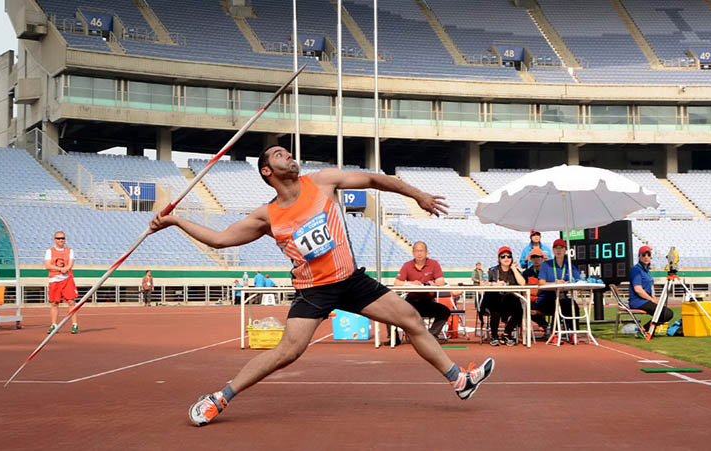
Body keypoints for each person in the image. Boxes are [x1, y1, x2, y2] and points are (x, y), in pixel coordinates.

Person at [150, 145, 494, 427]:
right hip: (314, 291)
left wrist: (418, 194)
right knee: (288, 351)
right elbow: (221, 239)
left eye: (288, 152)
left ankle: (459, 381)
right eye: (280, 154)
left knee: (412, 320)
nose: (289, 155)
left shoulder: (323, 181)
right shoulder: (267, 216)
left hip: (351, 279)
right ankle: (219, 398)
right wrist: (177, 220)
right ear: (267, 171)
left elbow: (375, 179)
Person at [394, 241, 451, 341]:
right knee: (390, 312)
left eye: (421, 251)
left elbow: (441, 281)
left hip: (428, 302)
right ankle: (394, 339)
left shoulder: (434, 264)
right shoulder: (407, 265)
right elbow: (397, 282)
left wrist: (434, 283)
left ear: (426, 252)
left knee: (445, 311)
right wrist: (411, 283)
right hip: (411, 302)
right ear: (413, 253)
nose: (419, 254)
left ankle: (431, 336)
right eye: (416, 251)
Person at [537, 239, 581, 344]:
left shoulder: (570, 266)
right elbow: (541, 283)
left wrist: (570, 283)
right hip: (545, 299)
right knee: (558, 304)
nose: (559, 250)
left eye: (561, 248)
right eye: (556, 248)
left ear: (565, 250)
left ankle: (573, 332)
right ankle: (554, 334)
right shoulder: (546, 265)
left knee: (572, 305)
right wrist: (555, 284)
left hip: (562, 298)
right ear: (553, 250)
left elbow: (578, 281)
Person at [479, 247, 525, 346]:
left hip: (510, 300)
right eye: (503, 256)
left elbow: (522, 283)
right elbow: (484, 284)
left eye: (509, 256)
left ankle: (506, 334)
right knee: (495, 309)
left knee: (519, 310)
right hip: (495, 300)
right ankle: (494, 335)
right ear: (499, 259)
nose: (506, 258)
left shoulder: (515, 271)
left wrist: (513, 268)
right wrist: (495, 284)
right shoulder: (493, 270)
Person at [629, 245, 674, 331]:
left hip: (646, 301)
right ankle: (645, 329)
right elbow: (638, 289)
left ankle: (646, 329)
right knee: (666, 313)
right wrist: (651, 299)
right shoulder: (636, 270)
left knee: (667, 313)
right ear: (639, 256)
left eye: (648, 255)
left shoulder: (647, 271)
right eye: (643, 255)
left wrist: (653, 299)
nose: (646, 257)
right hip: (638, 302)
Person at [44, 231, 79, 334]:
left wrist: (66, 268)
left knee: (71, 302)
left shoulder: (69, 251)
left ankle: (74, 324)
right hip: (54, 280)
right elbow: (47, 265)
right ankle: (54, 325)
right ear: (54, 239)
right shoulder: (49, 251)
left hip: (67, 279)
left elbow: (71, 264)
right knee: (54, 303)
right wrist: (60, 269)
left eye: (62, 238)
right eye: (58, 238)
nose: (61, 240)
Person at [522, 248, 549, 339]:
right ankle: (545, 325)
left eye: (538, 257)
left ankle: (553, 328)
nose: (536, 260)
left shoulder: (548, 272)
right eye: (533, 257)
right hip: (532, 302)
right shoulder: (526, 273)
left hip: (545, 300)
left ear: (542, 258)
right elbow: (524, 290)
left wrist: (535, 291)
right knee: (526, 308)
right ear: (531, 259)